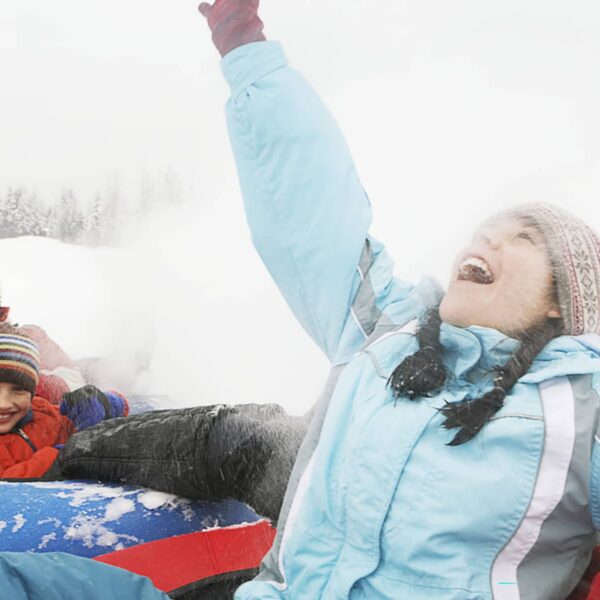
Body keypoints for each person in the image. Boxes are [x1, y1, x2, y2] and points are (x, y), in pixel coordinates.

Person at [52, 2, 600, 599]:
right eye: (485, 229)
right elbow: (313, 212)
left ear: (562, 299)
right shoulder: (388, 328)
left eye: (522, 239)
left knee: (248, 442)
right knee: (237, 440)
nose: (487, 238)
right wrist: (245, 47)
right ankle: (69, 456)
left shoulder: (579, 409)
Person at [0, 323, 129, 478]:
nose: (4, 403)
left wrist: (105, 404)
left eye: (18, 389)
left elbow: (109, 419)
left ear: (32, 392)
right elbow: (7, 484)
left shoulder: (43, 415)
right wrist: (66, 456)